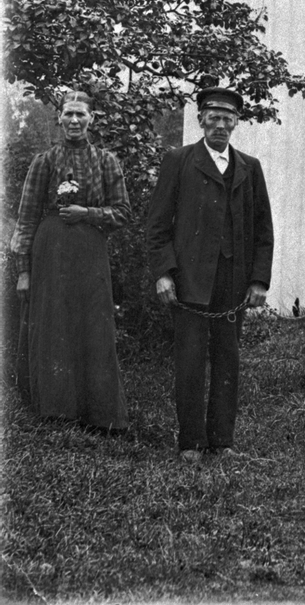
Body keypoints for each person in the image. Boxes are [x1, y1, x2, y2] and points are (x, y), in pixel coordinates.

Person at [146, 86, 274, 463]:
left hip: (233, 282)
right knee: (190, 360)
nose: (220, 125)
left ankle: (222, 441)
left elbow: (263, 230)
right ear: (201, 120)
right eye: (213, 117)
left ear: (236, 123)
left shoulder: (249, 167)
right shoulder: (179, 161)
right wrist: (163, 273)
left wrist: (258, 280)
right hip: (189, 281)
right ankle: (190, 443)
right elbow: (157, 225)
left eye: (227, 119)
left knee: (227, 359)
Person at [11, 90, 129, 430]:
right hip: (50, 252)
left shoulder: (106, 161)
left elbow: (122, 212)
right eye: (68, 114)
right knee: (54, 322)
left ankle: (99, 412)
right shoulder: (44, 161)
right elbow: (27, 219)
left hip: (90, 252)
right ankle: (56, 408)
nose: (74, 120)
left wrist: (87, 213)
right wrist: (23, 271)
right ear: (59, 118)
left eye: (81, 114)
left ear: (92, 118)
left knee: (94, 324)